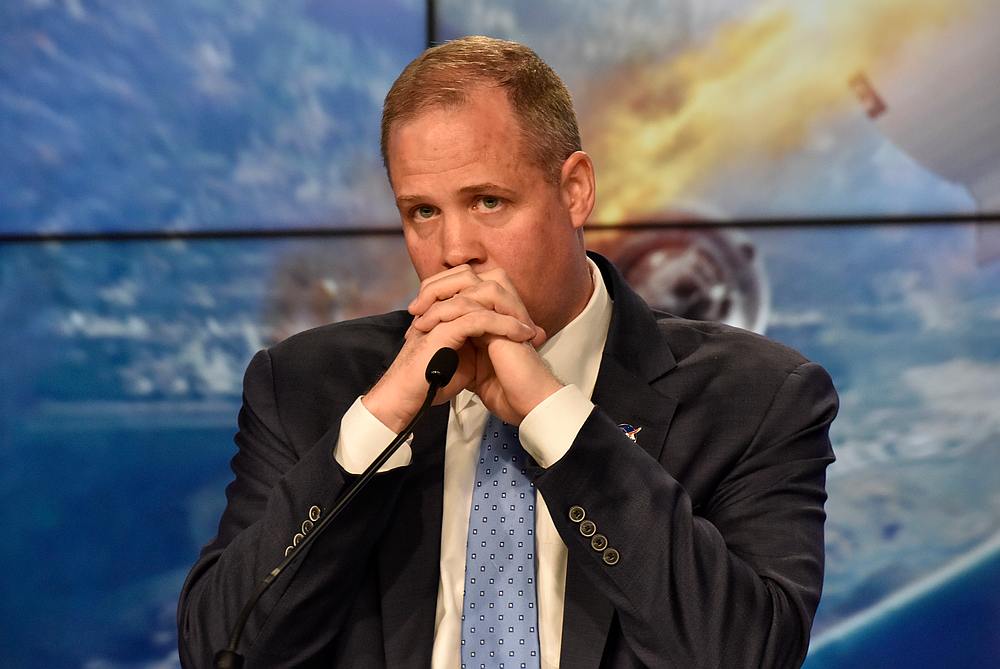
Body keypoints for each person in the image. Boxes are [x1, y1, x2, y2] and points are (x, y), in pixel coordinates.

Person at [177, 36, 837, 668]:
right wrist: (377, 424)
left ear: (575, 190)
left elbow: (745, 654)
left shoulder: (757, 398)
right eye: (423, 212)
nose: (454, 250)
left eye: (488, 201)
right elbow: (220, 653)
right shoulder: (304, 386)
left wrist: (552, 414)